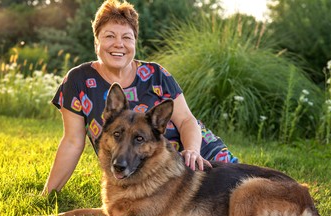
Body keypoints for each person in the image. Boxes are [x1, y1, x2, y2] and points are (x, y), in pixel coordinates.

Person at [42, 0, 238, 195]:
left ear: (135, 42)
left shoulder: (156, 74)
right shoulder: (78, 80)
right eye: (109, 36)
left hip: (194, 155)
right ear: (96, 42)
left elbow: (187, 119)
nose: (119, 44)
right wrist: (48, 194)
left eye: (127, 37)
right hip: (138, 168)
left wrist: (193, 150)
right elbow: (73, 142)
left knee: (239, 190)